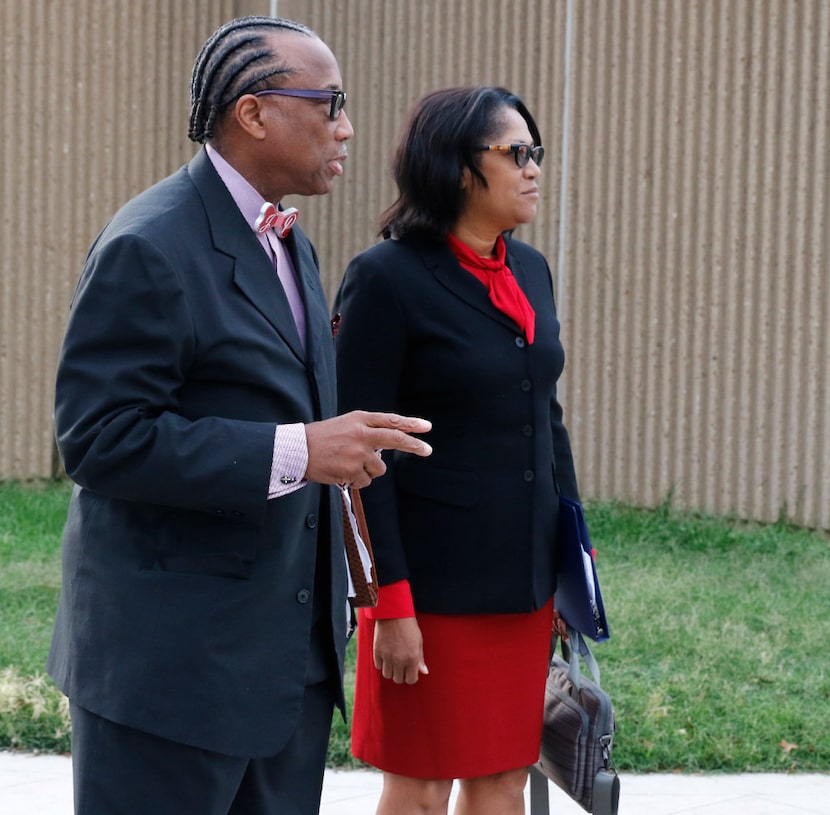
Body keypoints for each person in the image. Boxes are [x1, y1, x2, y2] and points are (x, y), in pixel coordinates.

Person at [47, 16, 432, 815]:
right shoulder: (151, 244)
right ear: (253, 114)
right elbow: (99, 438)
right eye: (330, 103)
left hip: (282, 674)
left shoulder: (288, 241)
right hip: (172, 680)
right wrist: (298, 449)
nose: (346, 127)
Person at [333, 86, 581, 815]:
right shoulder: (386, 279)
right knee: (418, 787)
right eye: (516, 153)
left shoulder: (529, 270)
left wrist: (568, 566)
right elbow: (359, 462)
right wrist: (390, 606)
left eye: (536, 152)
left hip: (523, 587)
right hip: (429, 592)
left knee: (504, 779)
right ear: (455, 166)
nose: (533, 168)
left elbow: (547, 419)